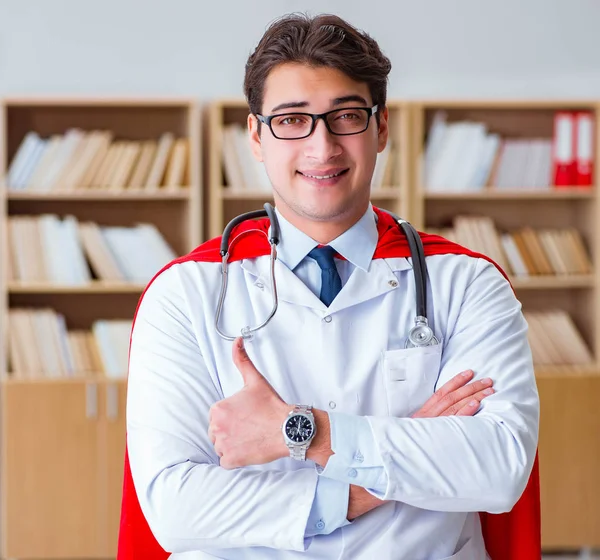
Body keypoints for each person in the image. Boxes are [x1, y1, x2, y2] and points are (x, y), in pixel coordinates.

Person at [118, 12, 541, 560]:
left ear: (381, 127)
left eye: (345, 116)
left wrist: (307, 432)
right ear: (256, 135)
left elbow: (499, 465)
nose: (323, 148)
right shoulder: (183, 295)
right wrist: (386, 467)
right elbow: (175, 511)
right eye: (293, 120)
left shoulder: (468, 282)